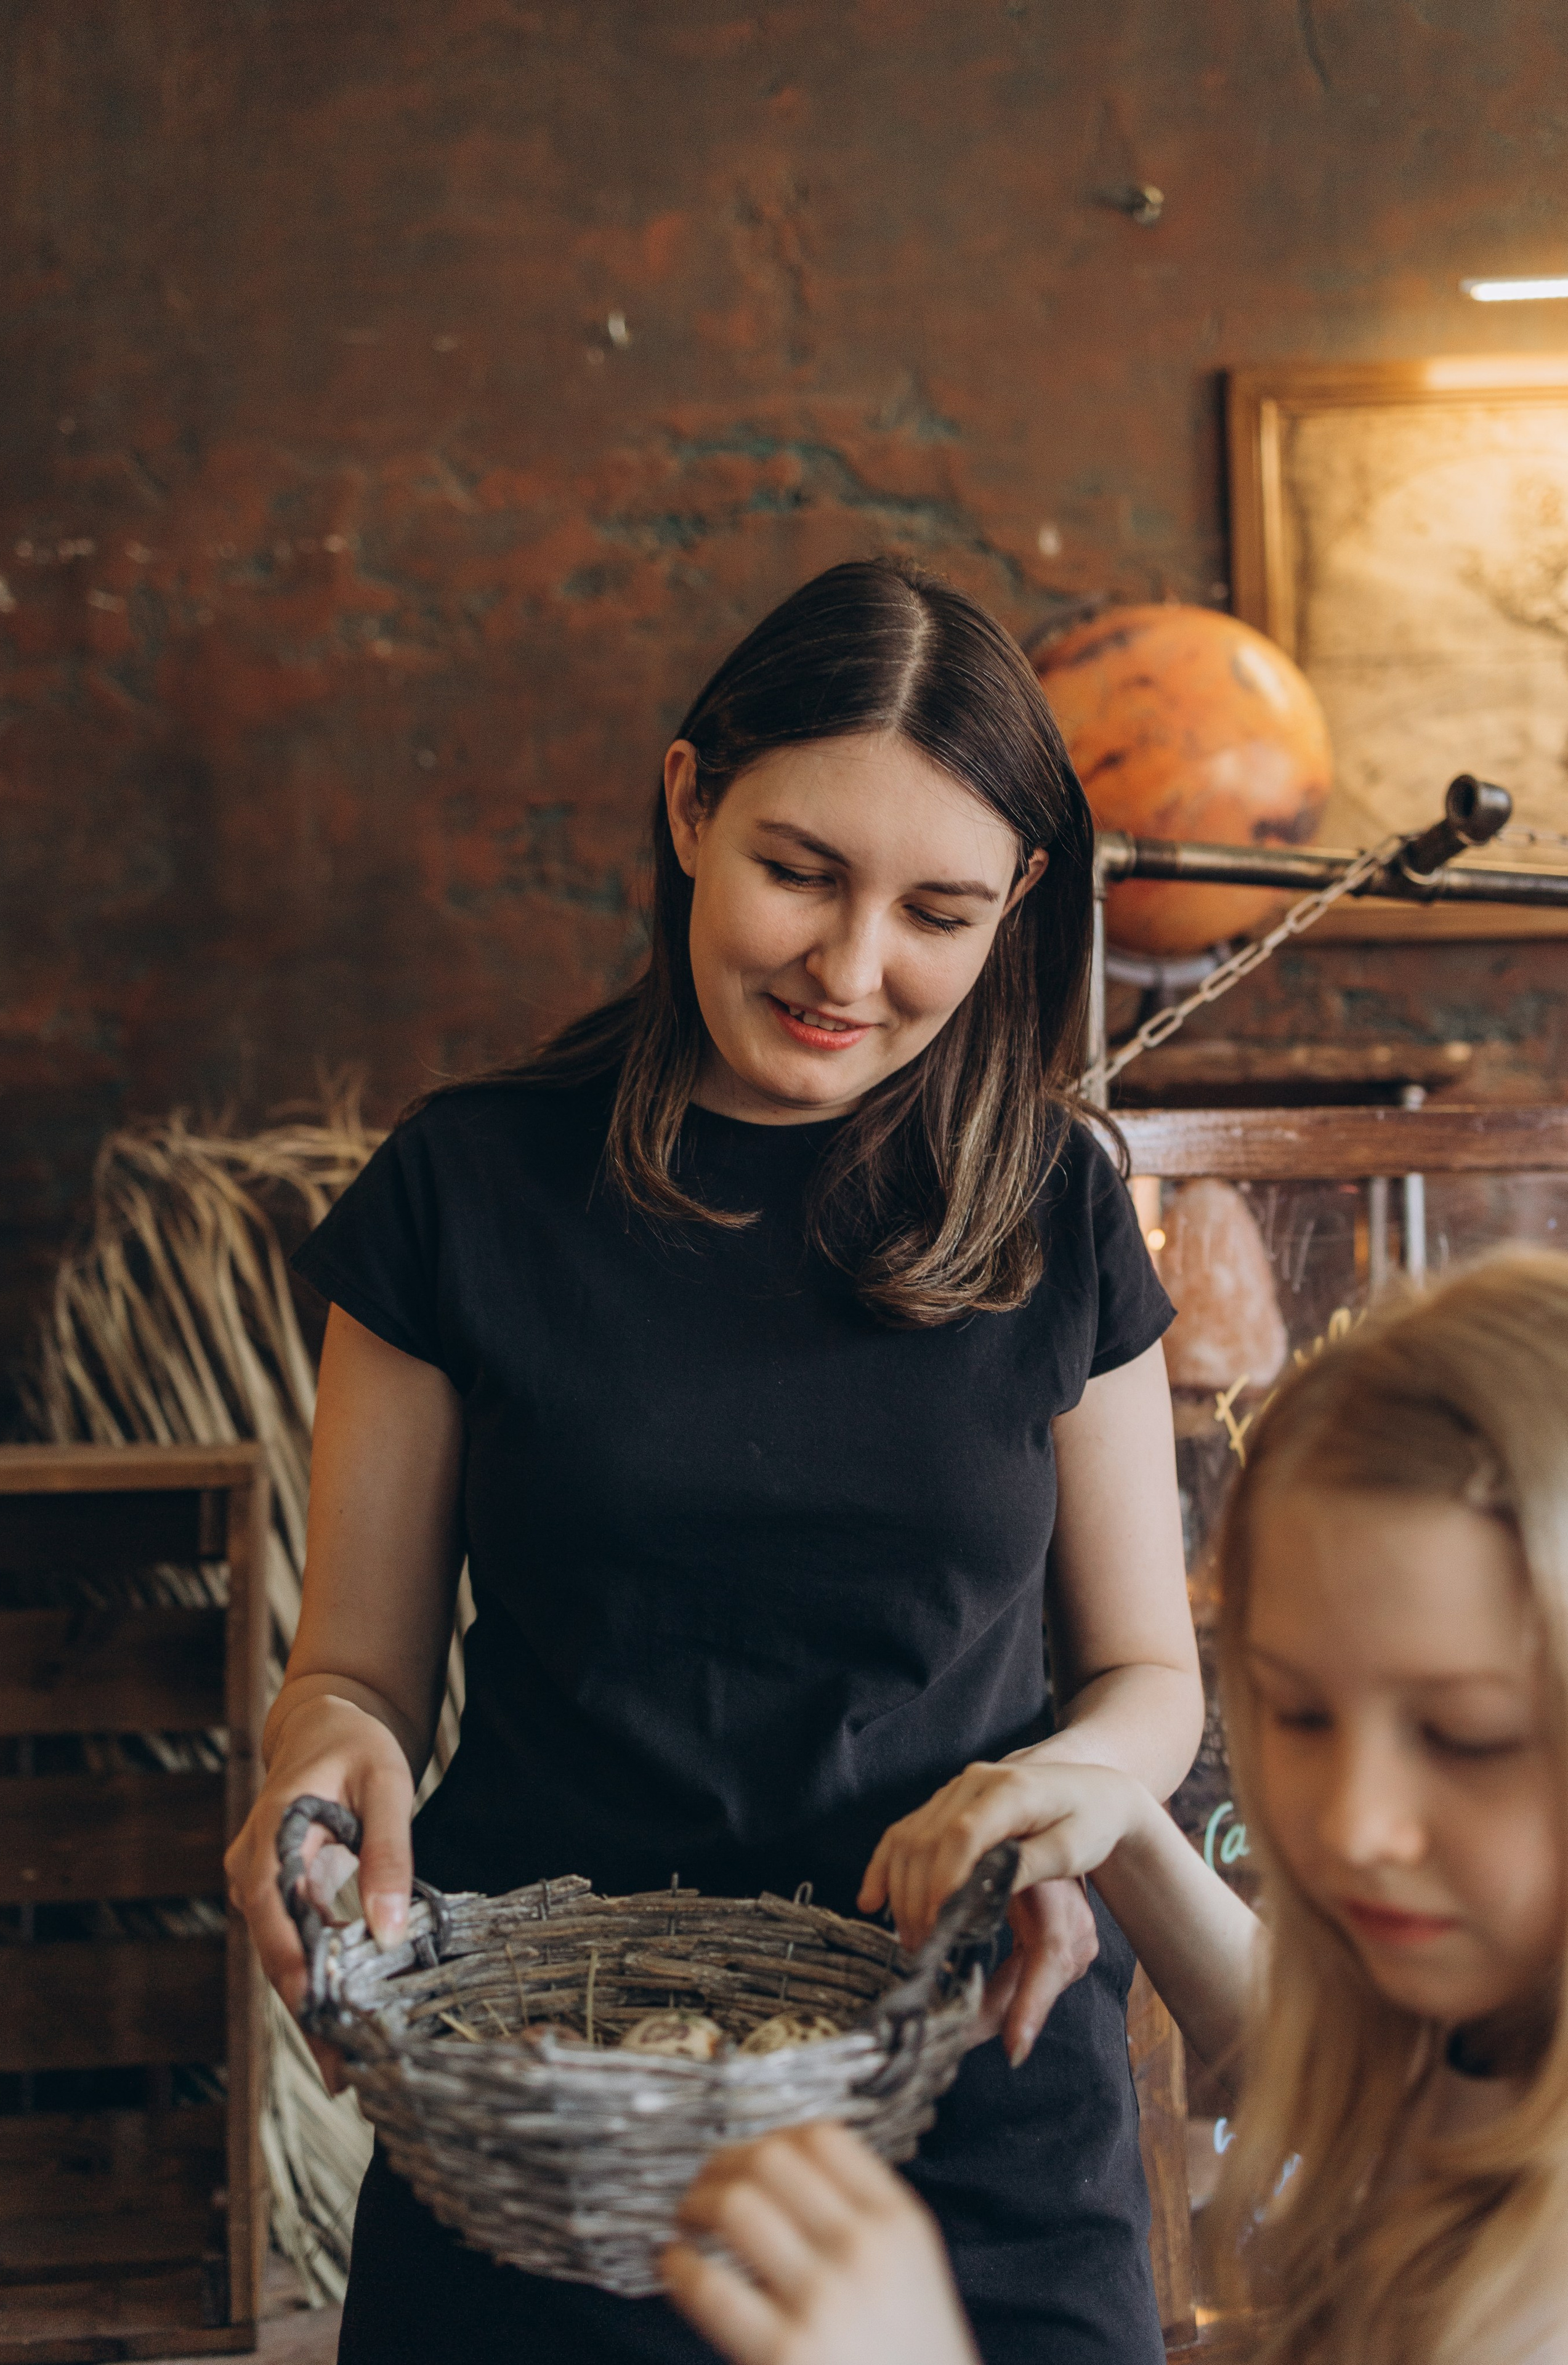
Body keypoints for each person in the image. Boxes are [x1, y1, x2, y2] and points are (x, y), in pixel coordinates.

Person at [224, 556, 1204, 2364]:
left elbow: (1146, 1678)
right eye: (799, 873)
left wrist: (1060, 1793)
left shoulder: (1056, 1200)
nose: (850, 968)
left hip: (967, 2086)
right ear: (689, 807)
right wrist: (320, 1758)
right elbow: (351, 1672)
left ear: (1019, 902)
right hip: (548, 2111)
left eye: (937, 911)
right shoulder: (464, 1188)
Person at [687, 1254, 1568, 2365]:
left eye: (1467, 1737)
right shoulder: (1492, 2049)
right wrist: (1124, 1825)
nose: (1354, 1825)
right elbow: (1344, 2083)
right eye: (1298, 1715)